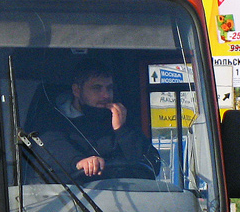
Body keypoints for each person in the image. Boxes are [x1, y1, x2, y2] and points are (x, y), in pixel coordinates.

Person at [26, 63, 159, 180]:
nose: (106, 95)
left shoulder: (121, 121)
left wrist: (122, 131)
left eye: (109, 88)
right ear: (77, 90)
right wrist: (79, 162)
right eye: (97, 88)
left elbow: (152, 164)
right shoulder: (54, 122)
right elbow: (54, 149)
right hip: (75, 201)